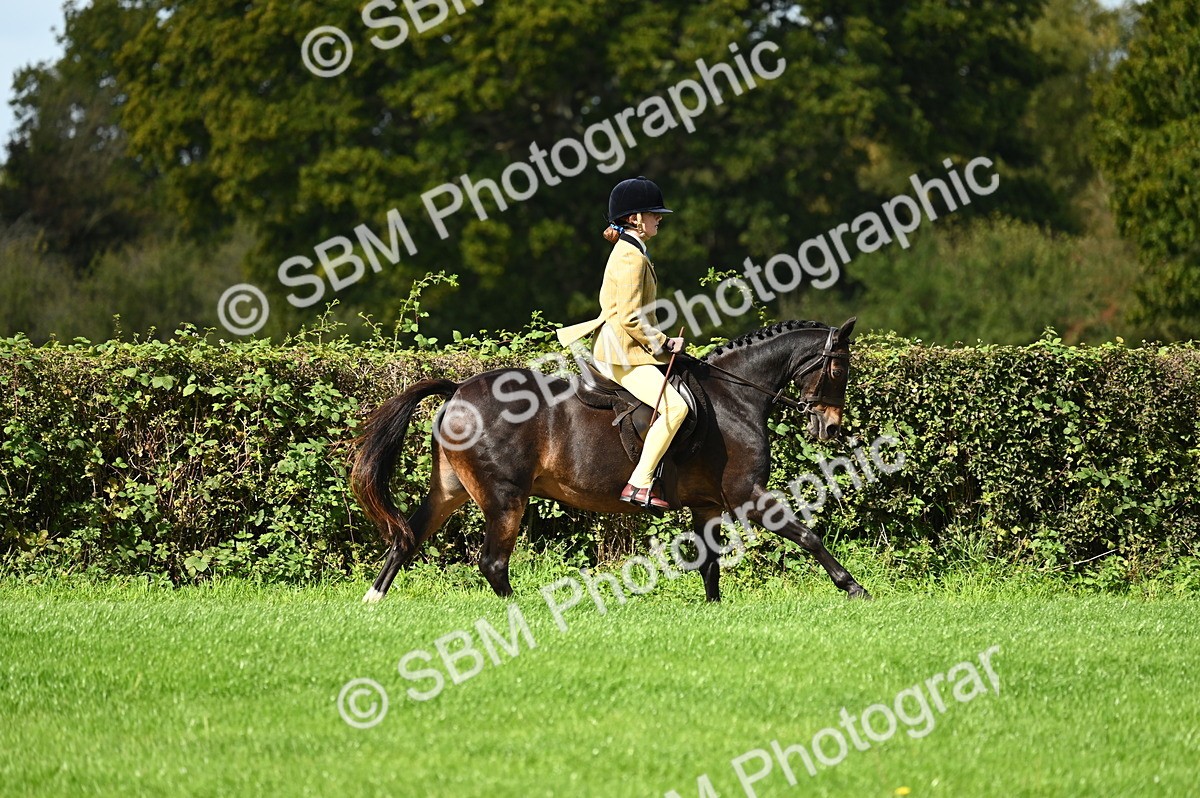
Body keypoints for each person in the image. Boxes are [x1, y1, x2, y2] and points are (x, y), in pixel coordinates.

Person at [556, 176, 687, 510]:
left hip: (626, 349)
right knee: (676, 407)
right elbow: (630, 318)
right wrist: (664, 343)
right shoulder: (631, 257)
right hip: (622, 354)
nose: (660, 218)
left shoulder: (631, 250)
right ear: (635, 219)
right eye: (654, 213)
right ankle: (640, 483)